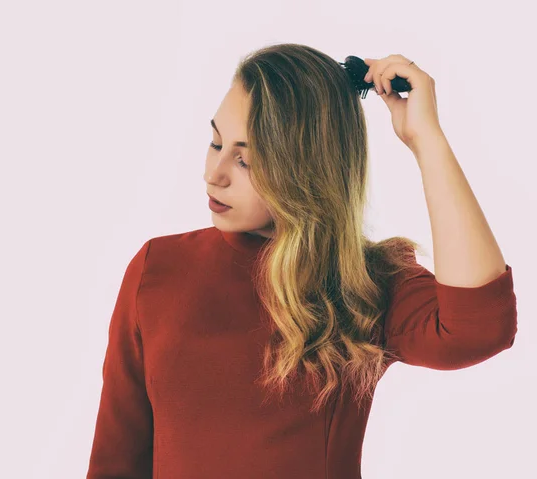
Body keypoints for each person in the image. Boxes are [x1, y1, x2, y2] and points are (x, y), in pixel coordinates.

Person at [86, 43, 517, 479]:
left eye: (245, 160)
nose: (213, 173)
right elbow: (115, 461)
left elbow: (480, 328)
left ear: (305, 170)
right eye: (215, 142)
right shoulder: (158, 267)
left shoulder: (363, 283)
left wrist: (427, 141)